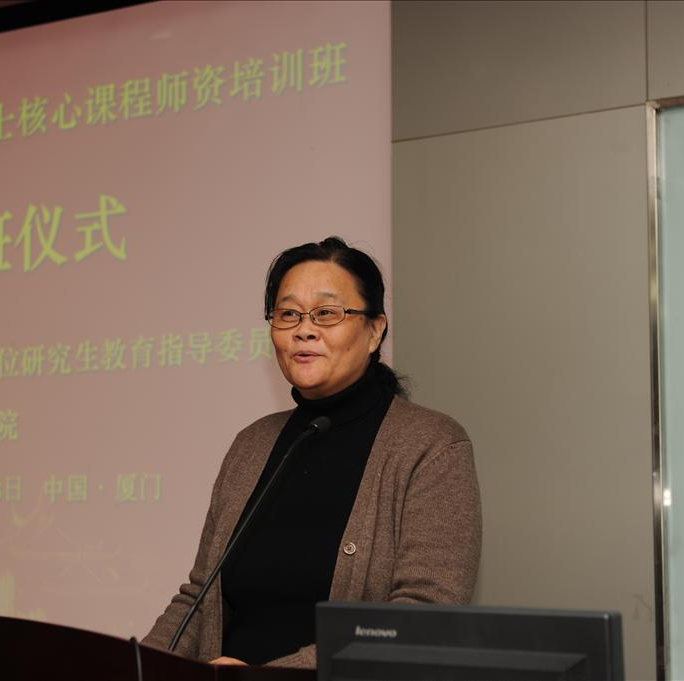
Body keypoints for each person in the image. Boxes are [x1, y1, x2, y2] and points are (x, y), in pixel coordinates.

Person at [142, 237, 482, 668]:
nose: (304, 329)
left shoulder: (432, 446)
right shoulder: (251, 445)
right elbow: (199, 598)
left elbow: (423, 618)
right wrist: (136, 667)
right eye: (288, 314)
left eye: (326, 313)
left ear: (375, 330)